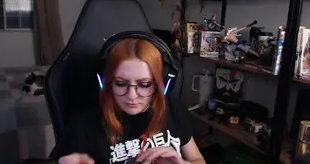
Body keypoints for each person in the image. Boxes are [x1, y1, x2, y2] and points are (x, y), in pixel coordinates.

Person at [53, 37, 204, 164]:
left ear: (160, 84)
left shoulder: (172, 108)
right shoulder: (84, 125)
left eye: (144, 84)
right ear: (106, 82)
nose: (131, 95)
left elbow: (197, 159)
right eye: (120, 83)